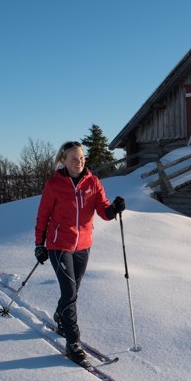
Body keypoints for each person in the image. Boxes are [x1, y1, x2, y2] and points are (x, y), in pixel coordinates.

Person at [34, 140, 126, 363]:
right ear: (63, 160)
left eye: (82, 157)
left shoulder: (92, 182)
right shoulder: (54, 185)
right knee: (70, 292)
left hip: (83, 246)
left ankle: (60, 315)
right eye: (73, 158)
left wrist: (113, 209)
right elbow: (43, 215)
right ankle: (73, 341)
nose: (79, 162)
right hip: (59, 245)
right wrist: (40, 244)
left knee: (73, 290)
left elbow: (103, 210)